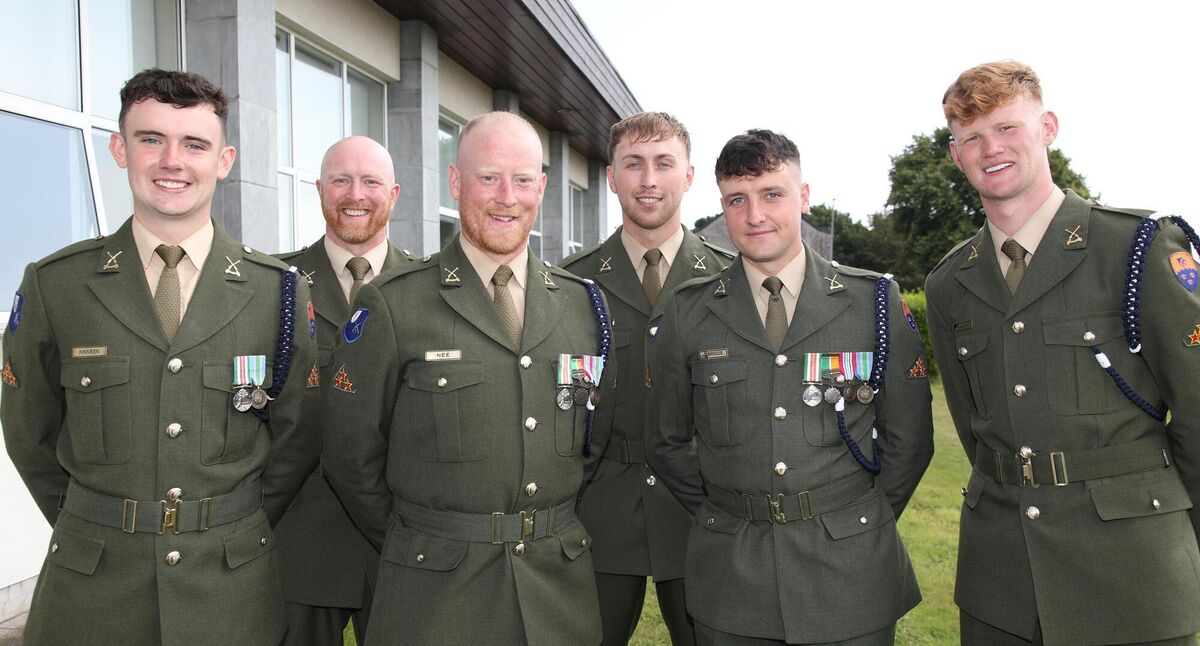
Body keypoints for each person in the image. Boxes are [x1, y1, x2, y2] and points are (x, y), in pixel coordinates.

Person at [0, 68, 319, 644]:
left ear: (223, 161)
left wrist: (227, 525)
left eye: (195, 144)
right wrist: (99, 522)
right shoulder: (58, 285)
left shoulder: (279, 293)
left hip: (229, 590)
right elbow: (30, 433)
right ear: (120, 150)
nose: (173, 161)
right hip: (92, 592)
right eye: (152, 139)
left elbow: (297, 436)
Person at [926, 60, 1200, 646]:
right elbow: (976, 431)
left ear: (1048, 127)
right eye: (970, 137)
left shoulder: (1135, 249)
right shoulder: (952, 281)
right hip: (1002, 582)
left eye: (1007, 128)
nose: (990, 148)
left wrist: (1180, 536)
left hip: (1133, 573)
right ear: (956, 156)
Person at [322, 111, 611, 645]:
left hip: (557, 595)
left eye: (522, 179)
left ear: (542, 188)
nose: (507, 196)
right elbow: (349, 454)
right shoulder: (393, 302)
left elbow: (592, 445)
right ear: (455, 182)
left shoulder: (583, 305)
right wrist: (429, 539)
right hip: (436, 598)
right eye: (487, 177)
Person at [647, 129, 933, 645]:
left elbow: (909, 441)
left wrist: (851, 520)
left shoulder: (874, 303)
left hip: (850, 574)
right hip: (733, 575)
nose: (755, 215)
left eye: (772, 194)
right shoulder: (688, 312)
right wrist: (732, 510)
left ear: (803, 197)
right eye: (737, 199)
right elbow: (667, 441)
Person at [562, 111, 732, 645]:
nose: (649, 180)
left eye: (664, 164)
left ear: (689, 175)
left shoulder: (732, 280)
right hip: (599, 512)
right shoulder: (571, 283)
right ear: (611, 177)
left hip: (703, 509)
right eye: (633, 164)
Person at [274, 136, 411, 645]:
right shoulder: (276, 286)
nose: (356, 193)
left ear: (393, 193)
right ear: (319, 191)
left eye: (371, 181)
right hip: (301, 543)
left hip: (399, 544)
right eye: (341, 180)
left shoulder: (432, 288)